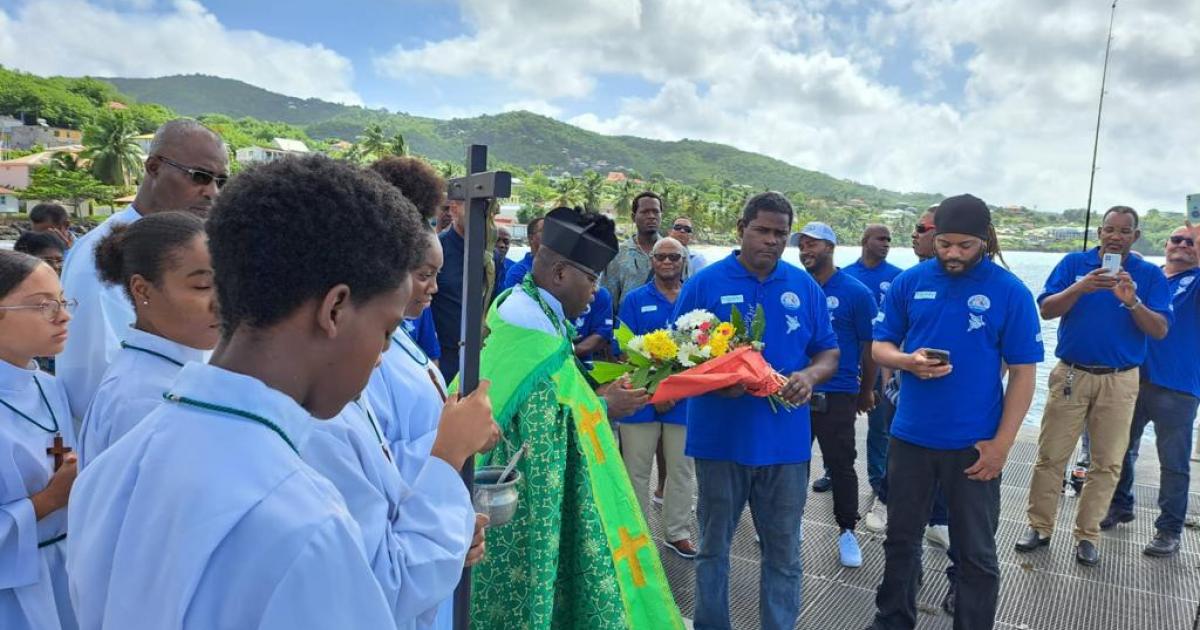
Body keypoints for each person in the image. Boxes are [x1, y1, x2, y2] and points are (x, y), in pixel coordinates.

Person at [66, 155, 422, 629]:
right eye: (386, 330)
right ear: (335, 309)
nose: (379, 355)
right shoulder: (305, 524)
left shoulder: (114, 467)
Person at [470, 207, 683, 629]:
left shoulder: (534, 309)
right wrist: (606, 407)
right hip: (519, 502)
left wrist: (600, 397)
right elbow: (540, 425)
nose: (595, 291)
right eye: (591, 278)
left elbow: (559, 401)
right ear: (560, 273)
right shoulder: (530, 329)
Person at [302, 222, 496, 627]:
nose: (381, 354)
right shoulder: (323, 421)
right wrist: (448, 450)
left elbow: (382, 473)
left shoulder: (348, 382)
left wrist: (447, 531)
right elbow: (388, 585)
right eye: (384, 334)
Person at [867, 194, 1042, 630]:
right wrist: (907, 362)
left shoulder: (1010, 292)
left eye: (965, 246)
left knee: (975, 553)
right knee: (901, 540)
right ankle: (892, 620)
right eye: (944, 243)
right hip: (910, 437)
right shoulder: (911, 281)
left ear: (984, 240)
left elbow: (1023, 374)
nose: (953, 254)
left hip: (974, 445)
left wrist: (1001, 446)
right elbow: (880, 345)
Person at [674, 192, 839, 630]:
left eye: (780, 234)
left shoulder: (803, 286)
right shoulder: (704, 284)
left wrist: (810, 376)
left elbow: (828, 353)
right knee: (713, 549)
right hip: (719, 442)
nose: (770, 241)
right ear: (740, 229)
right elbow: (674, 357)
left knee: (783, 554)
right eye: (762, 230)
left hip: (785, 446)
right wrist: (716, 382)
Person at [1018, 205, 1172, 566]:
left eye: (1124, 231)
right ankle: (1039, 527)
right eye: (1109, 229)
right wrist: (1081, 286)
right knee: (1051, 455)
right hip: (1072, 373)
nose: (1115, 236)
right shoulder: (1074, 264)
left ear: (1135, 236)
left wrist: (1132, 301)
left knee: (1107, 462)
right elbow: (1047, 309)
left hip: (1120, 381)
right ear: (1100, 232)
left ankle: (1087, 535)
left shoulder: (1148, 275)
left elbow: (1161, 330)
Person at [57, 119, 227, 419]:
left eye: (220, 181)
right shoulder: (100, 258)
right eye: (200, 176)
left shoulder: (192, 250)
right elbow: (90, 381)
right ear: (153, 167)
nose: (212, 191)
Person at [78, 212, 216, 468]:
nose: (222, 301)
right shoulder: (143, 399)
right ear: (142, 289)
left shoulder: (176, 370)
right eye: (202, 286)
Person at [1101, 224, 1200, 557]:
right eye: (1177, 239)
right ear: (1165, 243)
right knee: (1119, 449)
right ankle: (1119, 504)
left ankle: (1169, 529)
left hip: (1177, 387)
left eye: (1192, 242)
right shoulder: (1151, 276)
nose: (1183, 245)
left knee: (1173, 463)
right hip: (1132, 379)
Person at [0, 250, 78, 630]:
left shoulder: (50, 387)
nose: (64, 316)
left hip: (66, 569)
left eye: (63, 302)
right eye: (44, 306)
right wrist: (46, 502)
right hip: (11, 593)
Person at [796, 221, 878, 568]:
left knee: (842, 465)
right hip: (793, 389)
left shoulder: (856, 292)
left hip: (839, 391)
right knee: (792, 462)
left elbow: (869, 345)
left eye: (813, 244)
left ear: (830, 247)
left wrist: (866, 390)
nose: (805, 251)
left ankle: (846, 531)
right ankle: (790, 521)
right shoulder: (794, 286)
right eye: (801, 245)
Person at [617, 236, 697, 559]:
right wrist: (654, 391)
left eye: (673, 257)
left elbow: (704, 353)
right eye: (660, 257)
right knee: (635, 470)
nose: (667, 262)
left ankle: (677, 533)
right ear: (651, 261)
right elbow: (625, 350)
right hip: (640, 399)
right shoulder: (635, 300)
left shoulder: (693, 300)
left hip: (682, 402)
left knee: (681, 470)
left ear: (683, 262)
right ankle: (636, 534)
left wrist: (674, 393)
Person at [843, 224, 903, 525]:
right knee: (840, 424)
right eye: (881, 239)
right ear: (864, 241)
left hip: (880, 360)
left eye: (890, 240)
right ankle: (833, 470)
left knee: (879, 425)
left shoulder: (897, 277)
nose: (886, 244)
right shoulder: (846, 275)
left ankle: (878, 479)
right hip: (847, 360)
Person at [603, 191, 663, 313]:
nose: (651, 216)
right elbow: (609, 300)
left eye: (656, 211)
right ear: (633, 217)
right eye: (645, 212)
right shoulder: (617, 254)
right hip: (627, 327)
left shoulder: (676, 253)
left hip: (666, 328)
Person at [431, 195, 465, 384]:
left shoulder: (490, 256)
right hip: (444, 358)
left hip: (481, 356)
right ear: (455, 209)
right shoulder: (437, 251)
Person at [572, 285, 615, 367]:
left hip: (585, 365)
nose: (592, 299)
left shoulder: (601, 294)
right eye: (590, 279)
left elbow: (602, 336)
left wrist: (569, 351)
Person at [501, 216, 543, 291]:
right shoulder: (518, 272)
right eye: (544, 231)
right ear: (531, 238)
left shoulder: (558, 269)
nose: (550, 235)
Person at [493, 227, 514, 300]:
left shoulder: (514, 269)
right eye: (496, 240)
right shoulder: (478, 266)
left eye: (506, 242)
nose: (501, 245)